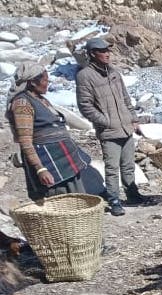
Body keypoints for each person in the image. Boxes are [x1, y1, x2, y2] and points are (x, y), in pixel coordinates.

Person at [5, 62, 104, 202]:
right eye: (45, 80)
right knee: (61, 200)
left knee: (77, 198)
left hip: (63, 159)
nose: (48, 83)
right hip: (49, 162)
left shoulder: (40, 99)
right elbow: (25, 140)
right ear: (33, 82)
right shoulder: (22, 104)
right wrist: (40, 169)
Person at [76, 37, 152, 216]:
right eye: (103, 51)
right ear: (93, 54)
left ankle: (132, 194)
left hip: (125, 126)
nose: (107, 54)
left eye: (108, 50)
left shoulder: (114, 72)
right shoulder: (84, 75)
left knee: (128, 164)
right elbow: (85, 105)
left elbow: (126, 98)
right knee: (112, 168)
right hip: (109, 130)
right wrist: (104, 121)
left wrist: (133, 118)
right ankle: (114, 200)